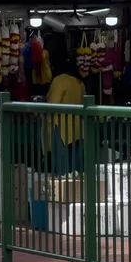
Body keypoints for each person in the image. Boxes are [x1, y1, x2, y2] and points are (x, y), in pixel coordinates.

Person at [45, 42, 86, 174]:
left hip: (61, 128)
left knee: (62, 169)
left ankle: (62, 193)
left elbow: (53, 104)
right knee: (76, 169)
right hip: (78, 129)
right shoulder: (80, 83)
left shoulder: (60, 80)